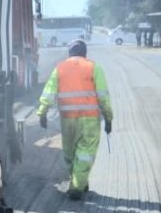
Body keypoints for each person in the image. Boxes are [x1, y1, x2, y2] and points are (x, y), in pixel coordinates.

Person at [36, 39, 113, 200]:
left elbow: (49, 92)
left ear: (69, 53)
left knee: (70, 153)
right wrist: (108, 117)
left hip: (67, 120)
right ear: (85, 53)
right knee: (85, 153)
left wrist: (42, 113)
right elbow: (103, 96)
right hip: (89, 120)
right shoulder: (94, 67)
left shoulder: (60, 68)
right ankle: (77, 186)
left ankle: (79, 181)